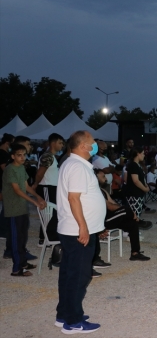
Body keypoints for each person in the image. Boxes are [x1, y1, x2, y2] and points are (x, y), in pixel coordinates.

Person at [56, 130, 105, 333]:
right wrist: (83, 228)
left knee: (69, 273)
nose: (95, 145)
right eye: (92, 142)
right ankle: (73, 321)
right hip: (78, 230)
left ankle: (64, 313)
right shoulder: (77, 166)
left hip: (74, 229)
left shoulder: (74, 163)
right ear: (83, 145)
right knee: (79, 276)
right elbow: (73, 198)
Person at [3, 143, 46, 277]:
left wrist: (38, 197)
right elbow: (17, 190)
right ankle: (16, 269)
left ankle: (23, 262)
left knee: (22, 237)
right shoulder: (10, 169)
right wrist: (34, 201)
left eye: (24, 155)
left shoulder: (21, 168)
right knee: (16, 238)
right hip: (14, 208)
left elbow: (26, 186)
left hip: (22, 208)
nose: (22, 158)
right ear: (13, 156)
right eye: (19, 155)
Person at [32, 133, 65, 245]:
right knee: (48, 212)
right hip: (46, 187)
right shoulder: (48, 156)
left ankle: (49, 237)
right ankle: (44, 238)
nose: (62, 145)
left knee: (52, 212)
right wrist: (36, 184)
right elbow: (40, 172)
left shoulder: (51, 156)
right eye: (60, 143)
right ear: (53, 143)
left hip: (51, 187)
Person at [123, 147, 151, 227]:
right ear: (138, 154)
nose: (143, 155)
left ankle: (132, 231)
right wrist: (145, 189)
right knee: (134, 213)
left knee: (136, 213)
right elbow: (135, 180)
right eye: (142, 153)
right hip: (134, 193)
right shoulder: (133, 165)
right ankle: (131, 233)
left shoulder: (137, 165)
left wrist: (145, 185)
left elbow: (141, 179)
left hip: (137, 193)